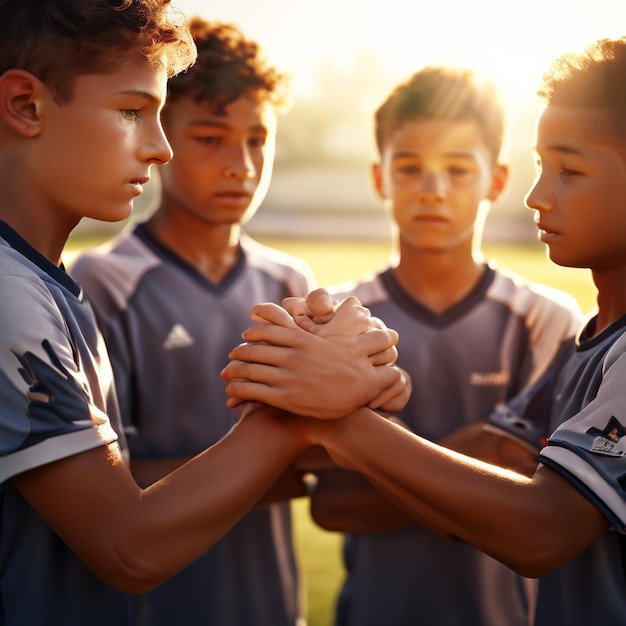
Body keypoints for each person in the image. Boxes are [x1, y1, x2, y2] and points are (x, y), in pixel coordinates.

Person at [0, 2, 403, 624]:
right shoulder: (16, 298)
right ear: (26, 105)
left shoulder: (42, 285)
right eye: (133, 111)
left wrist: (357, 389)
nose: (160, 150)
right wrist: (296, 413)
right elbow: (126, 544)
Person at [221, 36, 626, 625]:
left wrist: (338, 415)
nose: (537, 197)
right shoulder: (591, 339)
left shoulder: (563, 327)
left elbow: (542, 530)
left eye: (569, 170)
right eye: (541, 167)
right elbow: (497, 459)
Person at [302, 67, 582, 626]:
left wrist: (377, 464)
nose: (432, 188)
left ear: (497, 180)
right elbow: (332, 505)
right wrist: (484, 480)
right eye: (410, 168)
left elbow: (542, 504)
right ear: (380, 177)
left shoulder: (547, 319)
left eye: (457, 169)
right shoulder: (339, 318)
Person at [69, 17, 316, 626]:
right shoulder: (104, 283)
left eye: (258, 139)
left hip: (270, 603)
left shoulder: (291, 284)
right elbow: (109, 491)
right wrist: (286, 461)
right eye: (209, 139)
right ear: (159, 136)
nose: (242, 164)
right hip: (154, 604)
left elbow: (326, 470)